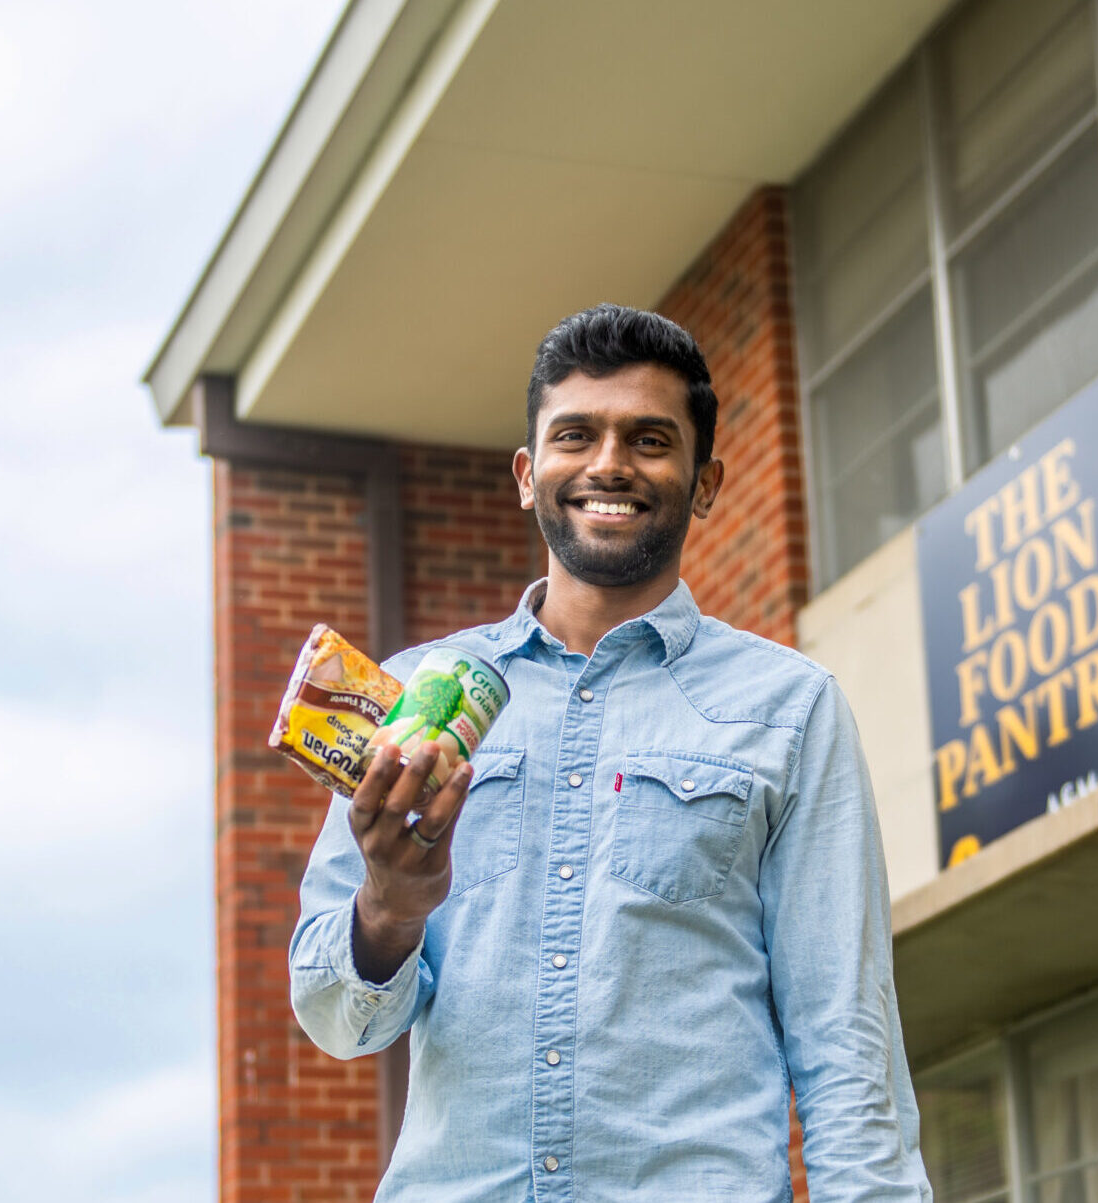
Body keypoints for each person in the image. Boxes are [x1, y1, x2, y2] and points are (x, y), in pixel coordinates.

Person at [289, 303, 932, 1201]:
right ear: (527, 473)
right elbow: (335, 1022)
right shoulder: (413, 700)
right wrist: (388, 909)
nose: (608, 465)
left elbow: (846, 1036)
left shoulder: (790, 710)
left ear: (705, 483)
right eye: (576, 435)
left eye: (649, 440)